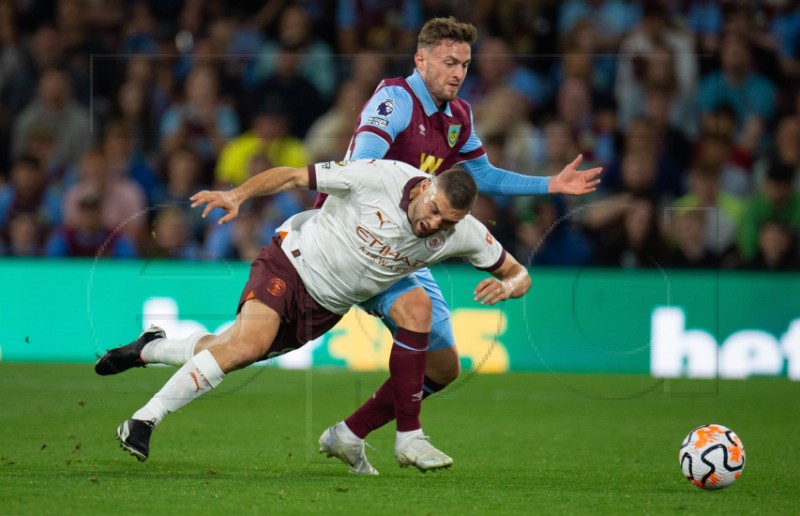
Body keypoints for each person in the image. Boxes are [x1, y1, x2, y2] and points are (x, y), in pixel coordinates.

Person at [96, 159, 532, 474]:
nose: (433, 225)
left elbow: (519, 274)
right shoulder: (376, 177)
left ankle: (148, 347)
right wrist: (237, 195)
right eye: (433, 210)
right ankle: (143, 420)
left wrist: (508, 286)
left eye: (446, 222)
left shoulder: (462, 232)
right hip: (292, 258)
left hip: (327, 306)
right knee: (247, 344)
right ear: (423, 189)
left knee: (234, 350)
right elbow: (291, 175)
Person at [313, 16, 601, 475]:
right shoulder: (394, 100)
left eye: (465, 65)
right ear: (421, 59)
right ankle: (410, 438)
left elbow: (483, 176)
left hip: (408, 247)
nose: (458, 73)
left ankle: (348, 434)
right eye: (449, 62)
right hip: (356, 239)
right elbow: (362, 165)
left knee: (444, 368)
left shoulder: (458, 117)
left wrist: (551, 184)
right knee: (262, 342)